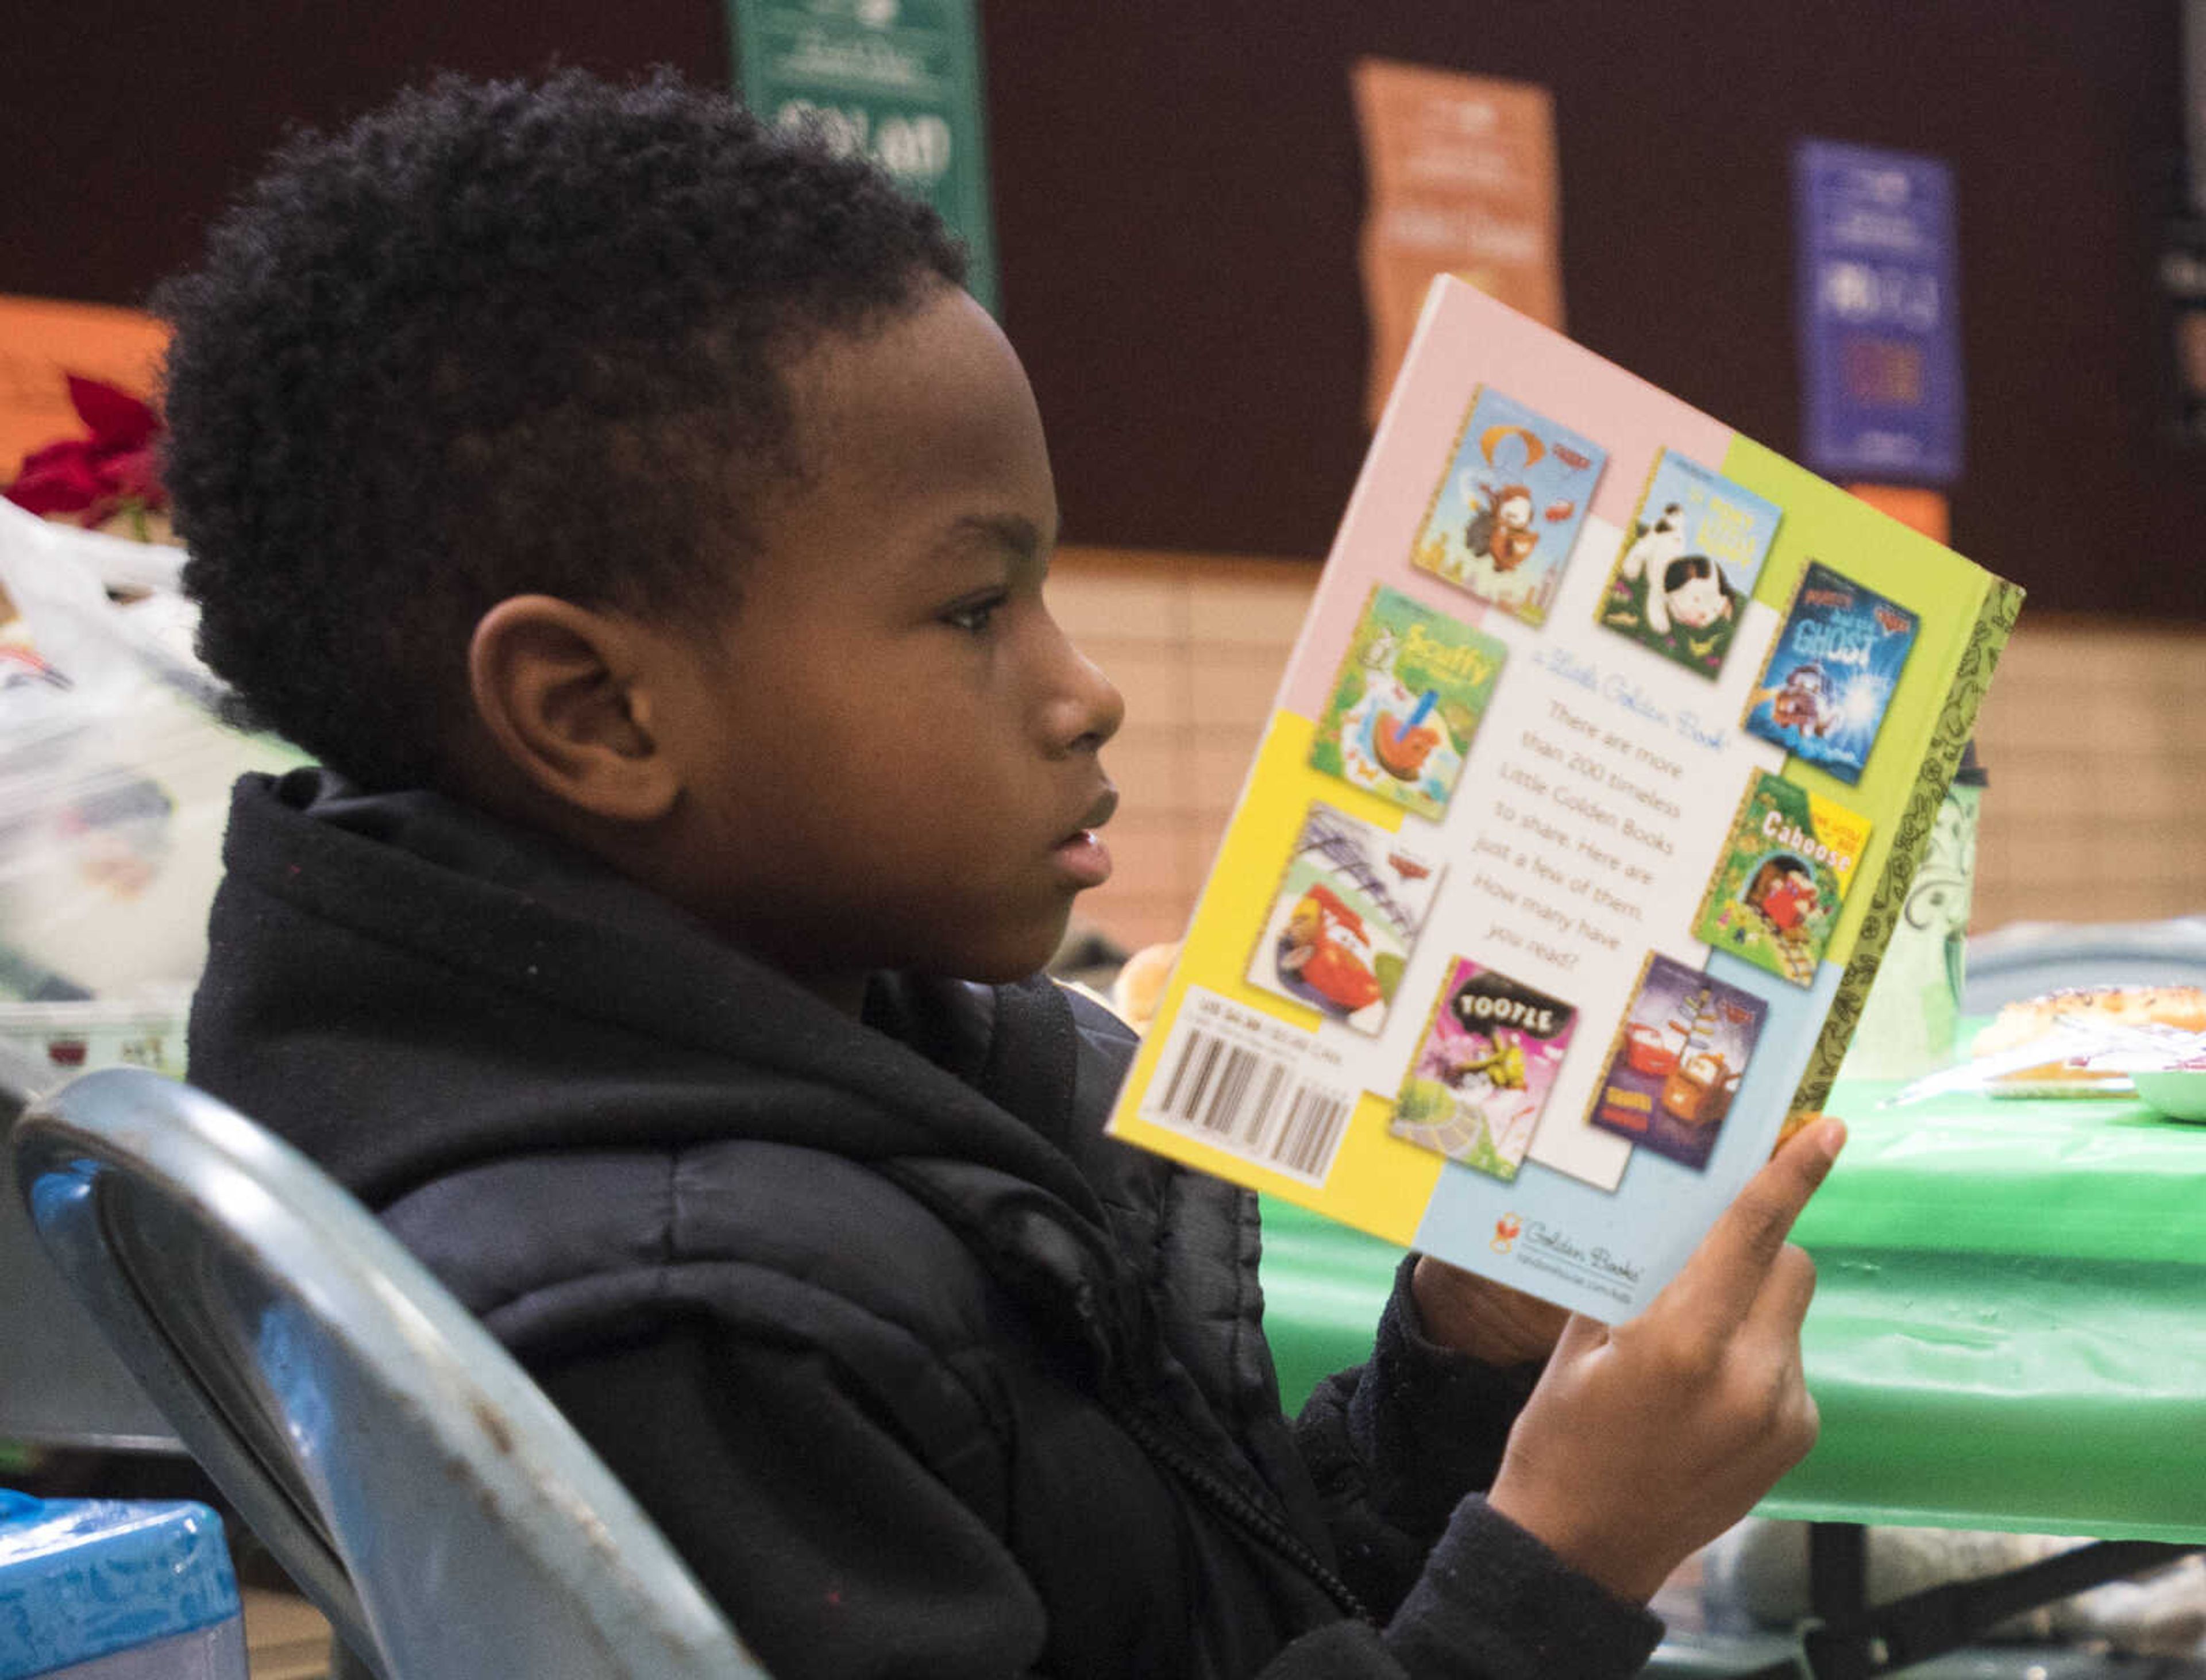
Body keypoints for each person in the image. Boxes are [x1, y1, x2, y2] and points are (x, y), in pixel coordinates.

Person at [164, 70, 1844, 1679]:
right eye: (977, 610)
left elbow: (1202, 1614)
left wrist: (1467, 1370)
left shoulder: (904, 1070)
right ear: (597, 712)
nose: (1082, 688)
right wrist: (1551, 1578)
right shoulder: (677, 1329)